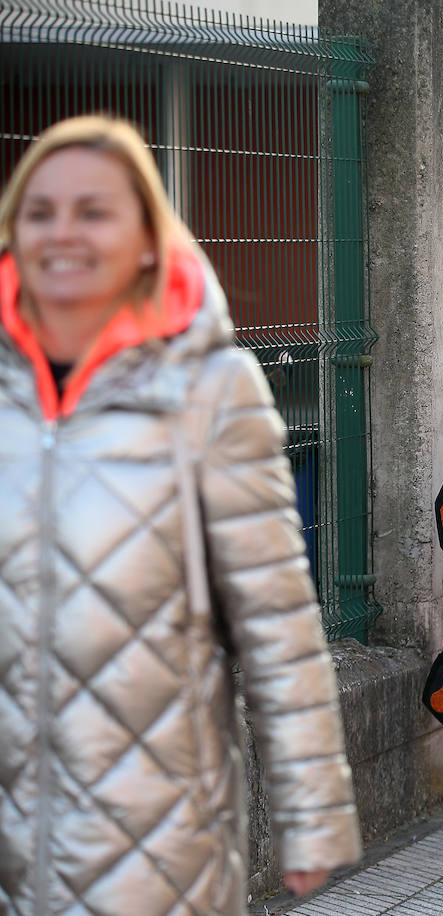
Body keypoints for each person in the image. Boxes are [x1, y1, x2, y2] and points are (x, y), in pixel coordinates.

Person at [0, 115, 360, 912]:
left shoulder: (210, 389)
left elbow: (277, 623)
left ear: (145, 239)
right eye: (40, 211)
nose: (63, 232)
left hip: (157, 838)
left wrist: (312, 819)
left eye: (93, 211)